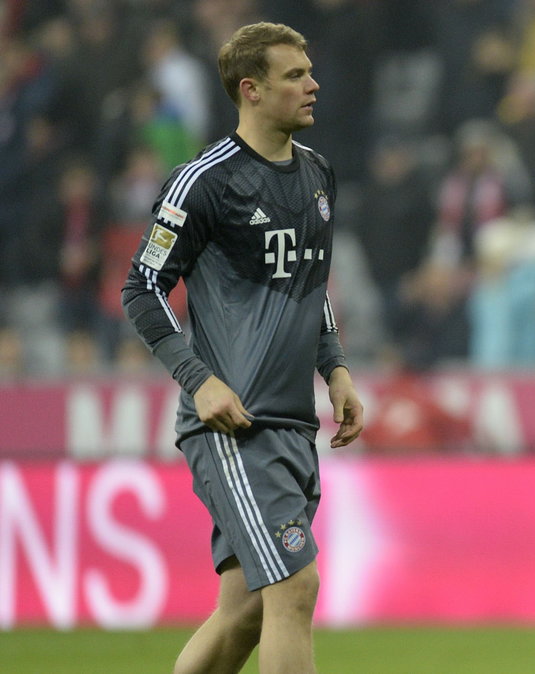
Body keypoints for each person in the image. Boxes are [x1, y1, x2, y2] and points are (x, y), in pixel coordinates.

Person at [120, 22, 363, 674]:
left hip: (290, 423)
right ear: (251, 91)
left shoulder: (317, 175)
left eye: (310, 70)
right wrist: (198, 381)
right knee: (295, 587)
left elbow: (310, 282)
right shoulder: (203, 182)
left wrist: (334, 366)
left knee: (245, 612)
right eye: (295, 75)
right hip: (231, 420)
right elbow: (142, 288)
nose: (314, 84)